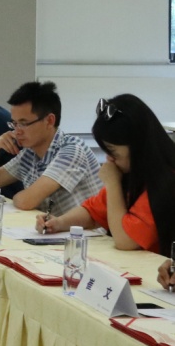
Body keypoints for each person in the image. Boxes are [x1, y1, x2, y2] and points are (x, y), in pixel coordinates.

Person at [38, 94, 175, 253]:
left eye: (113, 152)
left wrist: (113, 183)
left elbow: (125, 241)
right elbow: (93, 212)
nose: (109, 159)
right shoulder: (130, 172)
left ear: (138, 146)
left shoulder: (165, 181)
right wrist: (58, 223)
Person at [0, 81, 101, 215]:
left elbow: (26, 201)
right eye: (14, 124)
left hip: (84, 229)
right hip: (52, 226)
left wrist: (17, 197)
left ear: (49, 121)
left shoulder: (72, 150)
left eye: (23, 123)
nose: (17, 131)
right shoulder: (29, 153)